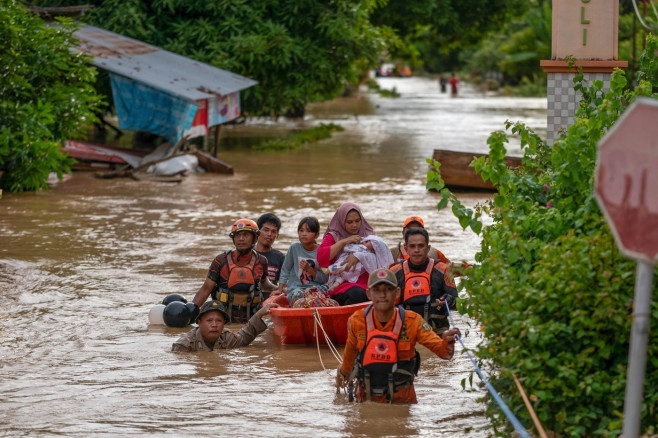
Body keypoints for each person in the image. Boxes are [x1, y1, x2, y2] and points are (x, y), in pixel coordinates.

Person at [335, 268, 461, 403]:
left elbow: (444, 354)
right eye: (377, 290)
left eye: (388, 289)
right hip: (366, 399)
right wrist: (341, 377)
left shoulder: (413, 321)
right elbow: (348, 361)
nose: (382, 295)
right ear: (369, 294)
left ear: (397, 293)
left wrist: (447, 342)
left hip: (402, 400)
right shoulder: (357, 321)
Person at [191, 218, 276, 322]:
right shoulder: (220, 260)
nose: (241, 239)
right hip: (224, 321)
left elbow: (264, 283)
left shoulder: (262, 261)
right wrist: (191, 312)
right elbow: (205, 289)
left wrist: (280, 289)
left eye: (245, 235)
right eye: (237, 235)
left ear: (255, 238)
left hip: (251, 320)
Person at [317, 202, 388, 306]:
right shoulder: (333, 236)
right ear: (342, 221)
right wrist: (343, 242)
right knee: (356, 294)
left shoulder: (369, 234)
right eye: (349, 222)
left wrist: (359, 257)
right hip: (342, 284)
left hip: (368, 283)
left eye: (357, 221)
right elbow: (321, 258)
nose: (354, 225)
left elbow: (382, 257)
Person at [390, 227, 458, 333]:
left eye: (421, 246)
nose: (416, 250)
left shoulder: (443, 269)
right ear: (406, 249)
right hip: (405, 333)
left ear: (428, 248)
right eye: (412, 246)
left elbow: (457, 303)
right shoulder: (394, 272)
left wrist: (448, 299)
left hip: (437, 332)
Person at [171, 300, 279, 352]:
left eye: (218, 321)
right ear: (199, 322)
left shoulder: (225, 337)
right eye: (209, 321)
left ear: (224, 324)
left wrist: (259, 314)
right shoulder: (185, 345)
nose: (214, 325)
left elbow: (244, 337)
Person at [274, 216, 330, 305]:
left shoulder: (321, 251)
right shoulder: (294, 248)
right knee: (298, 295)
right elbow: (285, 269)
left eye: (308, 231)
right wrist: (280, 289)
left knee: (316, 293)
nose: (304, 234)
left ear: (317, 235)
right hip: (296, 288)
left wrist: (310, 270)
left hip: (315, 288)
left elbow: (324, 278)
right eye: (301, 230)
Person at [326, 235, 393, 291]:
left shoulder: (371, 257)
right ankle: (331, 276)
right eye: (367, 240)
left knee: (342, 277)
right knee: (340, 272)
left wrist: (358, 256)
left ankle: (333, 281)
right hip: (346, 270)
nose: (367, 241)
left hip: (355, 280)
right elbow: (347, 249)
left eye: (371, 242)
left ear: (373, 249)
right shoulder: (358, 246)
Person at [255, 213, 285, 294]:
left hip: (271, 300)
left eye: (273, 231)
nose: (269, 234)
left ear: (277, 235)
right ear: (257, 232)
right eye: (266, 230)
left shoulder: (280, 258)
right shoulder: (248, 253)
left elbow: (286, 282)